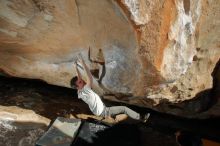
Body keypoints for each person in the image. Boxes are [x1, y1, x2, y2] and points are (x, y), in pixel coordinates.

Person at [70, 54, 150, 123]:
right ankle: (141, 118)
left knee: (104, 100)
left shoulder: (79, 92)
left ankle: (113, 115)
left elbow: (78, 77)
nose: (82, 81)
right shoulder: (86, 89)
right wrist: (82, 62)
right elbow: (89, 76)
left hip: (97, 111)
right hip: (104, 111)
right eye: (80, 82)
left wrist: (75, 67)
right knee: (124, 109)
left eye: (80, 80)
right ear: (78, 87)